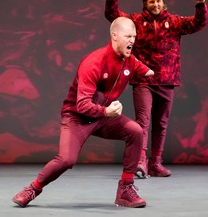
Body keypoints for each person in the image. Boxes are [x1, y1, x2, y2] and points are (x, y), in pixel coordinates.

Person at [12, 17, 154, 208]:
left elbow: (146, 71)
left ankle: (125, 190)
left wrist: (154, 73)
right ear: (114, 35)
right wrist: (105, 111)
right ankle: (32, 189)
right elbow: (82, 105)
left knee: (135, 131)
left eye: (134, 37)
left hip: (103, 116)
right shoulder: (94, 62)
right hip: (77, 117)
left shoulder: (129, 60)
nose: (132, 41)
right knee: (67, 160)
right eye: (128, 36)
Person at [105, 0, 208, 178]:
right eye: (152, 1)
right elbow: (113, 15)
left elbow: (197, 24)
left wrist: (201, 5)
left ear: (164, 3)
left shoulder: (174, 22)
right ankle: (141, 162)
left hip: (167, 80)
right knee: (143, 122)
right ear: (146, 3)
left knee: (161, 124)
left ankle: (156, 164)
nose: (156, 4)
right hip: (144, 80)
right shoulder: (134, 21)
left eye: (158, 1)